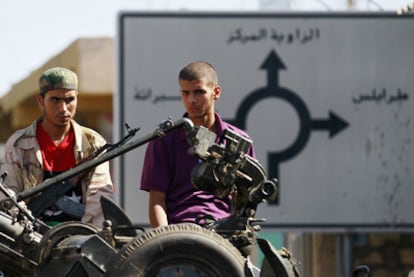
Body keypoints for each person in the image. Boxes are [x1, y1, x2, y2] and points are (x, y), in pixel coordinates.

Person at [140, 61, 256, 228]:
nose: (191, 100)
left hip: (225, 234)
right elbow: (157, 200)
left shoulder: (239, 142)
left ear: (216, 92)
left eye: (199, 92)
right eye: (185, 93)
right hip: (178, 231)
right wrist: (164, 242)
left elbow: (248, 203)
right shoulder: (163, 140)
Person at [0, 67, 114, 227]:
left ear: (77, 98)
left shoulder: (93, 144)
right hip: (29, 237)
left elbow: (100, 197)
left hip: (79, 238)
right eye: (55, 100)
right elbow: (9, 194)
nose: (63, 109)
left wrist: (87, 237)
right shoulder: (20, 144)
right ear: (41, 101)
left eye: (69, 100)